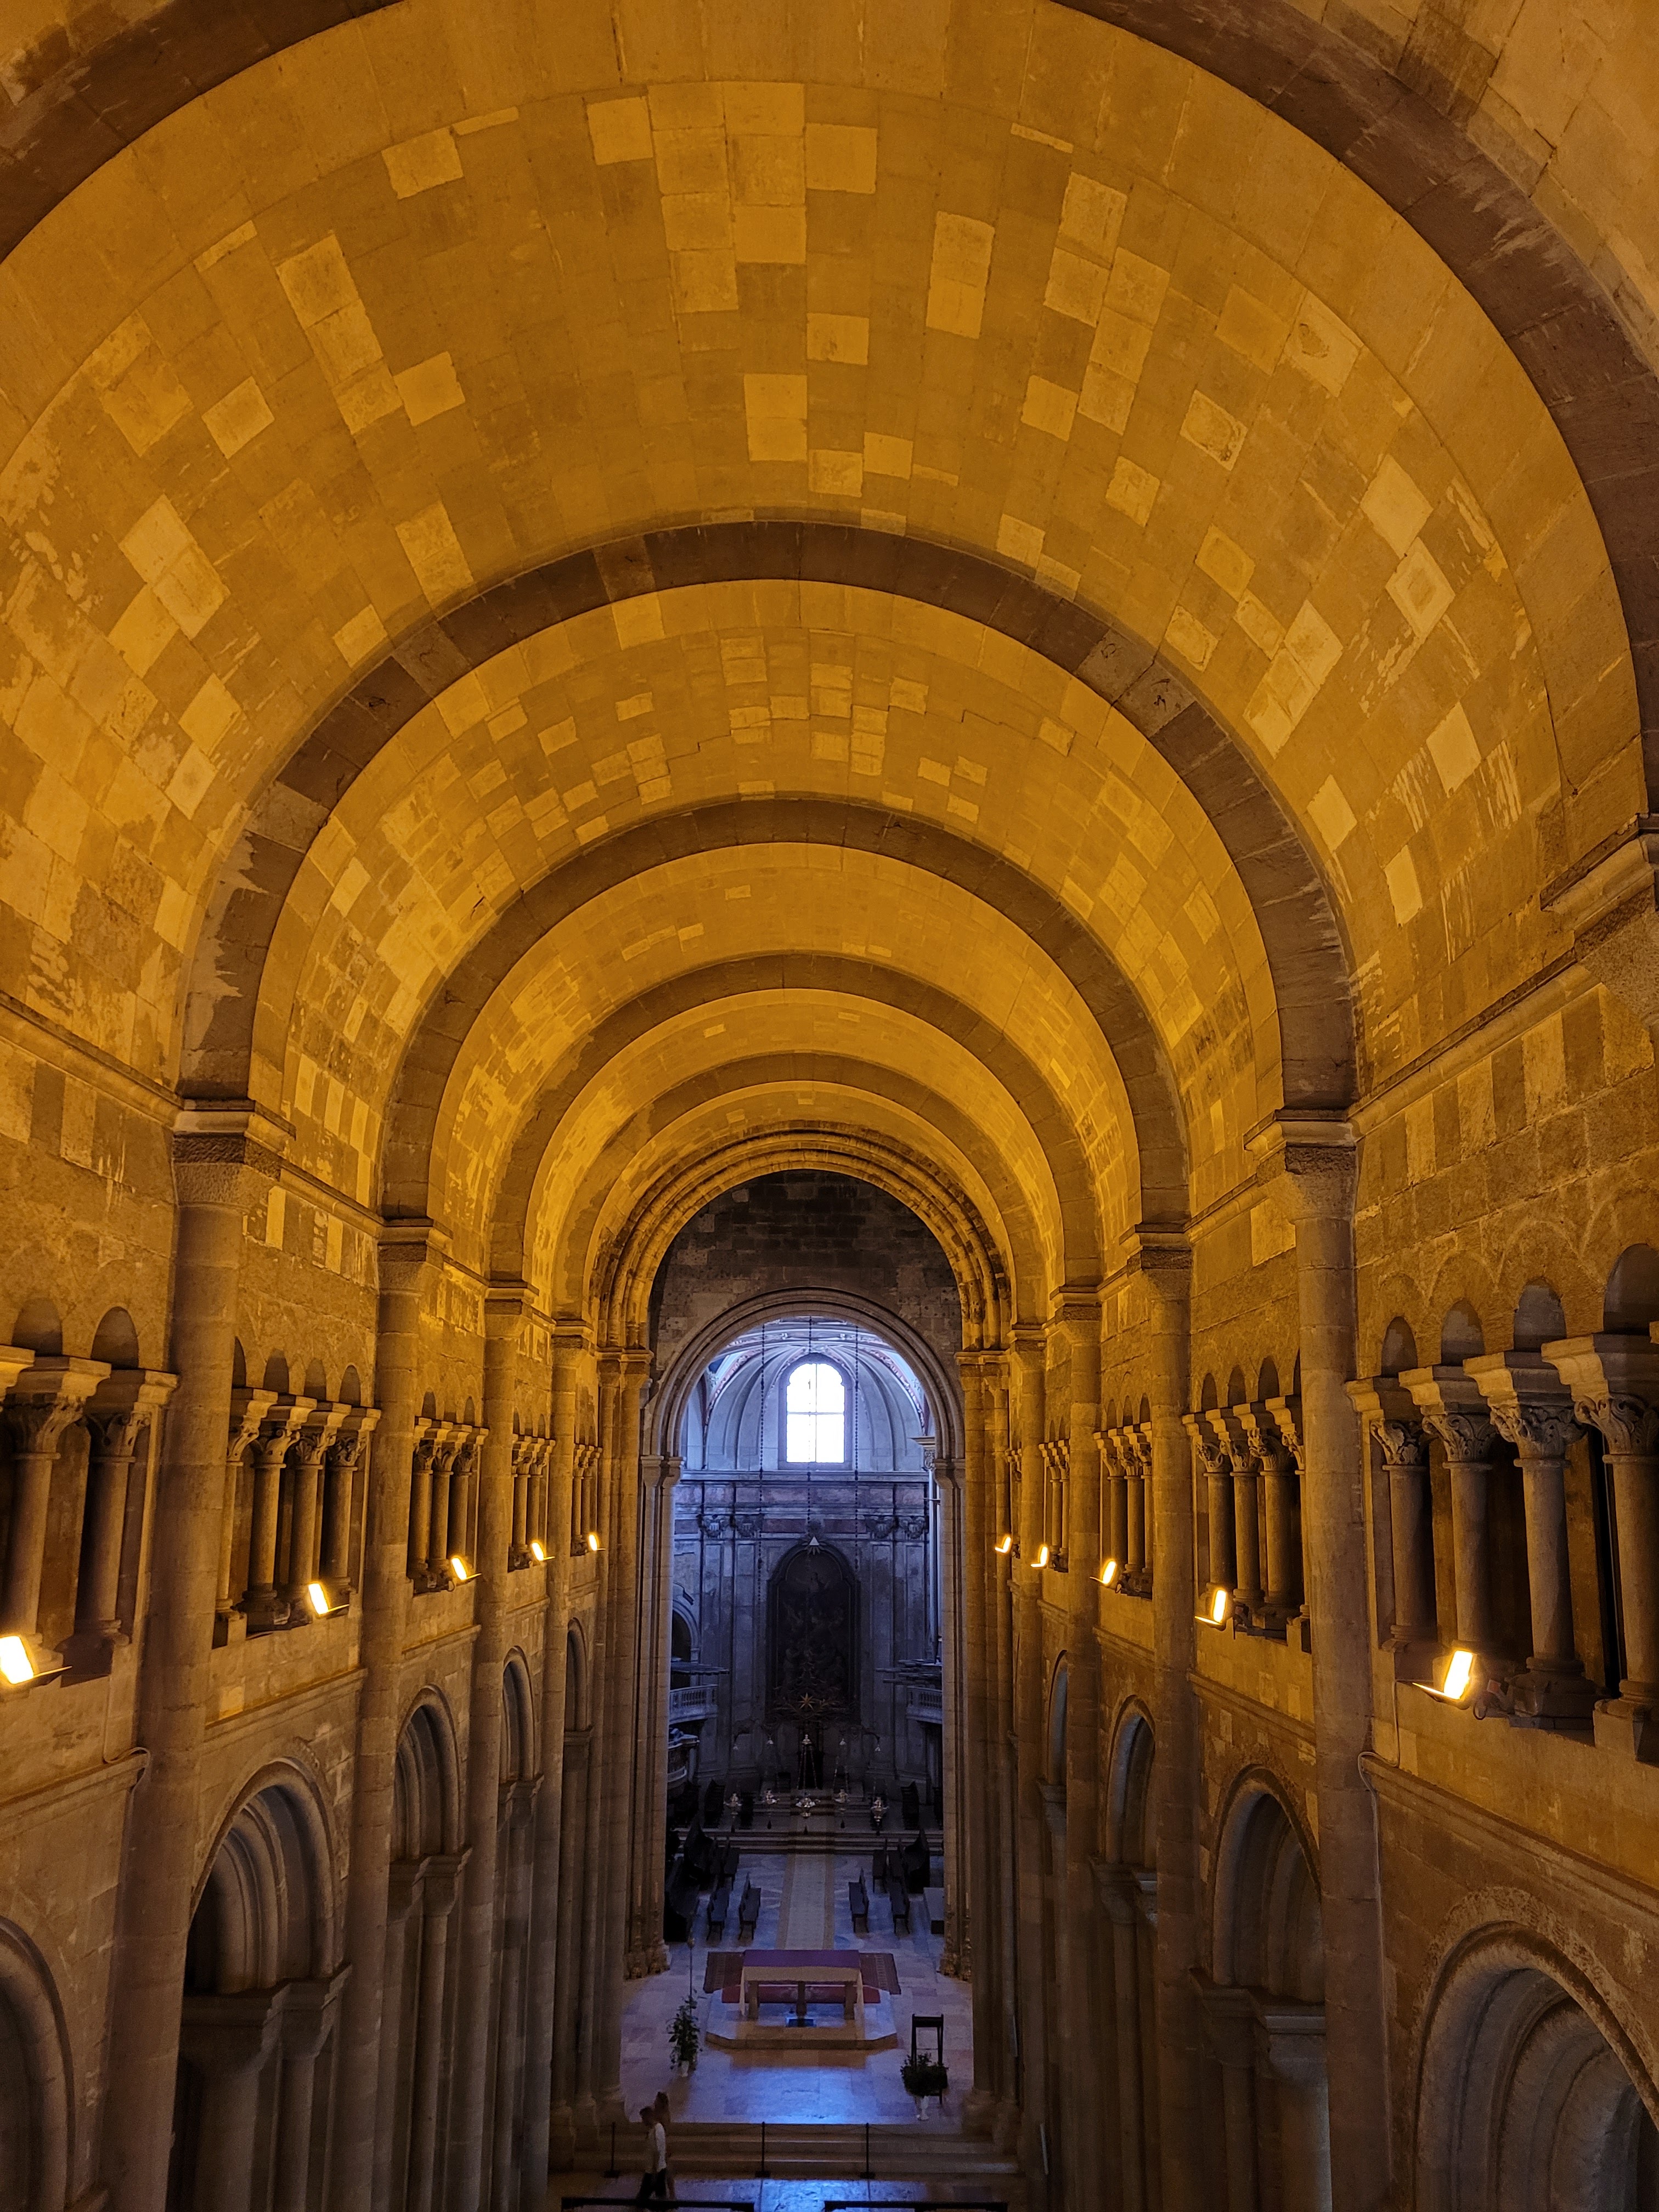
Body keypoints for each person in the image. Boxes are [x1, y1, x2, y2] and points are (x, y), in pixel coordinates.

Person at [635, 2106, 668, 2203]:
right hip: (655, 2169)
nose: (643, 2121)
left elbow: (658, 2150)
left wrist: (654, 2171)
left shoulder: (658, 2129)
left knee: (643, 2198)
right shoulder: (654, 2129)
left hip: (655, 2170)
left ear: (649, 2117)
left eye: (643, 2118)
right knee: (660, 2196)